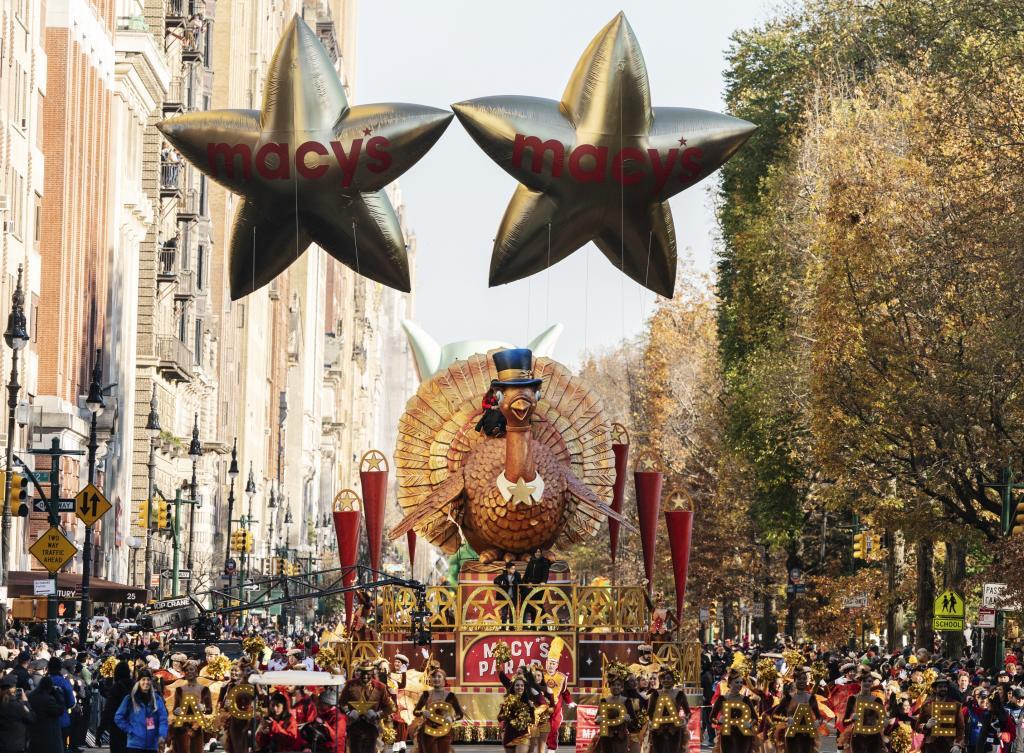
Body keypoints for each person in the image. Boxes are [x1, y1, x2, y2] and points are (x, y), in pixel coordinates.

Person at [340, 662, 394, 753]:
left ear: (372, 673)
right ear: (359, 672)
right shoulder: (350, 685)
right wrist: (348, 712)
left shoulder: (381, 687)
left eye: (368, 674)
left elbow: (390, 707)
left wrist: (377, 714)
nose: (365, 677)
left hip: (372, 727)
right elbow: (341, 702)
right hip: (354, 727)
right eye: (363, 673)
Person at [114, 670, 168, 753]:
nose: (146, 682)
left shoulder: (157, 699)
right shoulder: (130, 699)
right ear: (138, 681)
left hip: (152, 746)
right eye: (143, 679)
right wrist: (130, 730)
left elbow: (163, 719)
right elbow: (118, 717)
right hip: (134, 745)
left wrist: (162, 735)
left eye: (148, 679)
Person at [412, 667, 465, 753]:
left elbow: (460, 714)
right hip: (428, 732)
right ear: (431, 679)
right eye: (434, 677)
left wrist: (452, 718)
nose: (436, 679)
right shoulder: (426, 694)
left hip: (444, 731)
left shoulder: (451, 696)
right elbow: (415, 712)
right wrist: (422, 712)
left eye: (439, 676)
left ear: (444, 679)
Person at [170, 660, 213, 753]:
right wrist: (176, 711)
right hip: (181, 728)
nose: (189, 672)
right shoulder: (179, 690)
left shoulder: (205, 689)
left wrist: (204, 708)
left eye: (191, 669)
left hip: (197, 727)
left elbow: (210, 710)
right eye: (186, 670)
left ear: (196, 672)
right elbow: (175, 709)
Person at [648, 668, 690, 753]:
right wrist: (654, 723)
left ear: (674, 680)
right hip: (658, 731)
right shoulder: (655, 694)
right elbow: (650, 712)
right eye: (663, 678)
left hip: (675, 730)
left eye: (668, 678)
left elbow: (688, 712)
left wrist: (684, 720)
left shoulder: (680, 694)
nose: (665, 680)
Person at [99, 660, 133, 753]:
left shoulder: (116, 687)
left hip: (118, 729)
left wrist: (100, 730)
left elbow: (108, 710)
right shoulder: (136, 686)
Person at [29, 676, 68, 753]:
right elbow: (59, 710)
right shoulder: (48, 699)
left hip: (34, 730)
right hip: (48, 731)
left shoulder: (31, 696)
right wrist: (58, 695)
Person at [0, 674, 35, 753]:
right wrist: (25, 702)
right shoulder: (18, 706)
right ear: (13, 689)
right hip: (16, 747)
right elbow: (32, 718)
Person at [499, 676, 533, 753]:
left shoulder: (528, 702)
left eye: (522, 685)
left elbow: (533, 720)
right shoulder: (507, 701)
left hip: (523, 735)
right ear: (513, 687)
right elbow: (499, 717)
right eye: (517, 685)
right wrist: (506, 715)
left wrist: (528, 714)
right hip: (509, 735)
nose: (519, 687)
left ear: (524, 688)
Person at [494, 563, 522, 629]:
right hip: (504, 597)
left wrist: (514, 584)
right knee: (504, 612)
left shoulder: (517, 575)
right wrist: (504, 584)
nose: (513, 570)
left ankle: (511, 626)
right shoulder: (502, 576)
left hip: (513, 597)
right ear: (507, 569)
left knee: (512, 612)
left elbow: (520, 583)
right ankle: (503, 627)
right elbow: (495, 581)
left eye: (514, 569)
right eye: (512, 569)